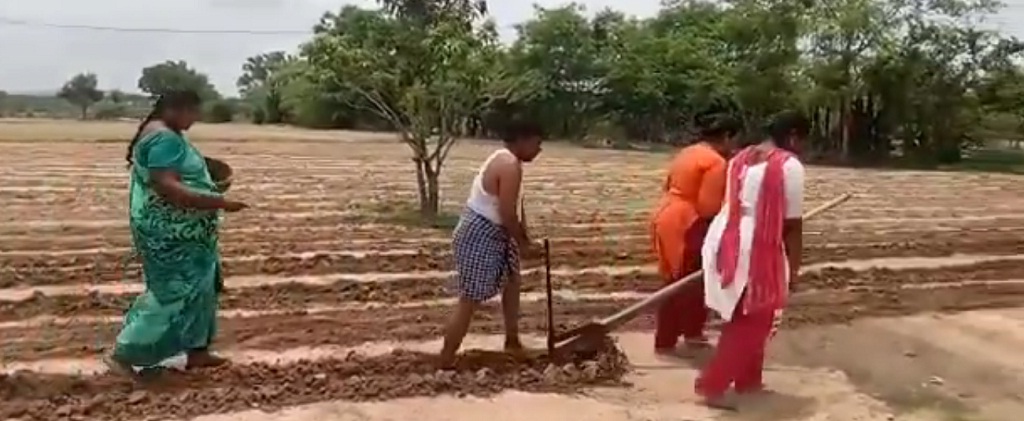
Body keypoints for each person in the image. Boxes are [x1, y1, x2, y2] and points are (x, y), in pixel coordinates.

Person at [105, 90, 249, 378]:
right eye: (191, 112)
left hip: (187, 232)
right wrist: (218, 202)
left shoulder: (162, 133)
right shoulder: (163, 139)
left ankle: (197, 352)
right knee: (173, 290)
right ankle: (123, 353)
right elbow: (167, 186)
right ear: (173, 109)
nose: (195, 119)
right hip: (172, 234)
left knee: (202, 285)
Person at [695, 110, 809, 409]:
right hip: (754, 244)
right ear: (794, 136)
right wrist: (792, 272)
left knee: (746, 313)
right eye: (802, 140)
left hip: (725, 237)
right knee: (754, 319)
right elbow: (792, 226)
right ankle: (713, 387)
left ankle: (749, 382)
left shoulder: (740, 158)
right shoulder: (790, 166)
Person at [438, 120, 544, 369]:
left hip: (496, 231)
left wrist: (526, 239)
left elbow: (515, 208)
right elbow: (507, 213)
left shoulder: (509, 160)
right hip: (480, 233)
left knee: (512, 282)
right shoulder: (508, 165)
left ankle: (512, 340)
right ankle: (446, 357)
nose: (539, 151)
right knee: (470, 298)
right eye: (537, 144)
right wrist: (525, 245)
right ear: (522, 140)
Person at [649, 114, 739, 355]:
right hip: (687, 221)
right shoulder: (715, 163)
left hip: (665, 213)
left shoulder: (688, 153)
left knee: (673, 277)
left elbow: (668, 185)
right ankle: (679, 337)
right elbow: (708, 207)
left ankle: (673, 337)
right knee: (691, 280)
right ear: (727, 136)